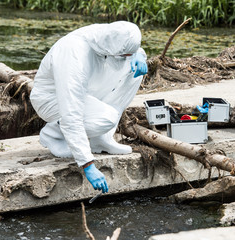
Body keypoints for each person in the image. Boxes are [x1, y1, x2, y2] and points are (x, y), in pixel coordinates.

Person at [30, 21, 148, 194]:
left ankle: (102, 137)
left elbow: (128, 47)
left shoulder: (109, 36)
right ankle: (53, 134)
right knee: (105, 118)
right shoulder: (74, 54)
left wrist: (138, 55)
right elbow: (71, 112)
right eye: (125, 54)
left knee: (134, 71)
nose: (128, 56)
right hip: (52, 99)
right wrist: (87, 164)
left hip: (89, 90)